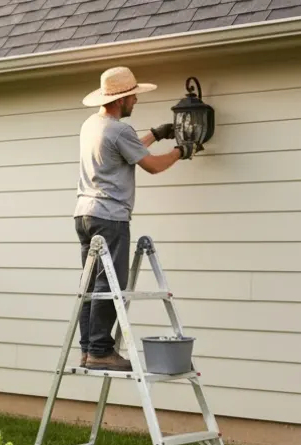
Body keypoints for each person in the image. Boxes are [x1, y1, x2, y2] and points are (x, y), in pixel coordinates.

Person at [74, 66, 191, 371]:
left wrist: (155, 134)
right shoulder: (119, 129)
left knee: (91, 284)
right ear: (121, 100)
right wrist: (181, 151)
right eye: (133, 96)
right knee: (111, 283)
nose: (135, 101)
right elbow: (151, 166)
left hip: (85, 214)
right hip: (110, 217)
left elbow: (123, 151)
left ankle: (88, 349)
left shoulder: (92, 125)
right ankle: (101, 350)